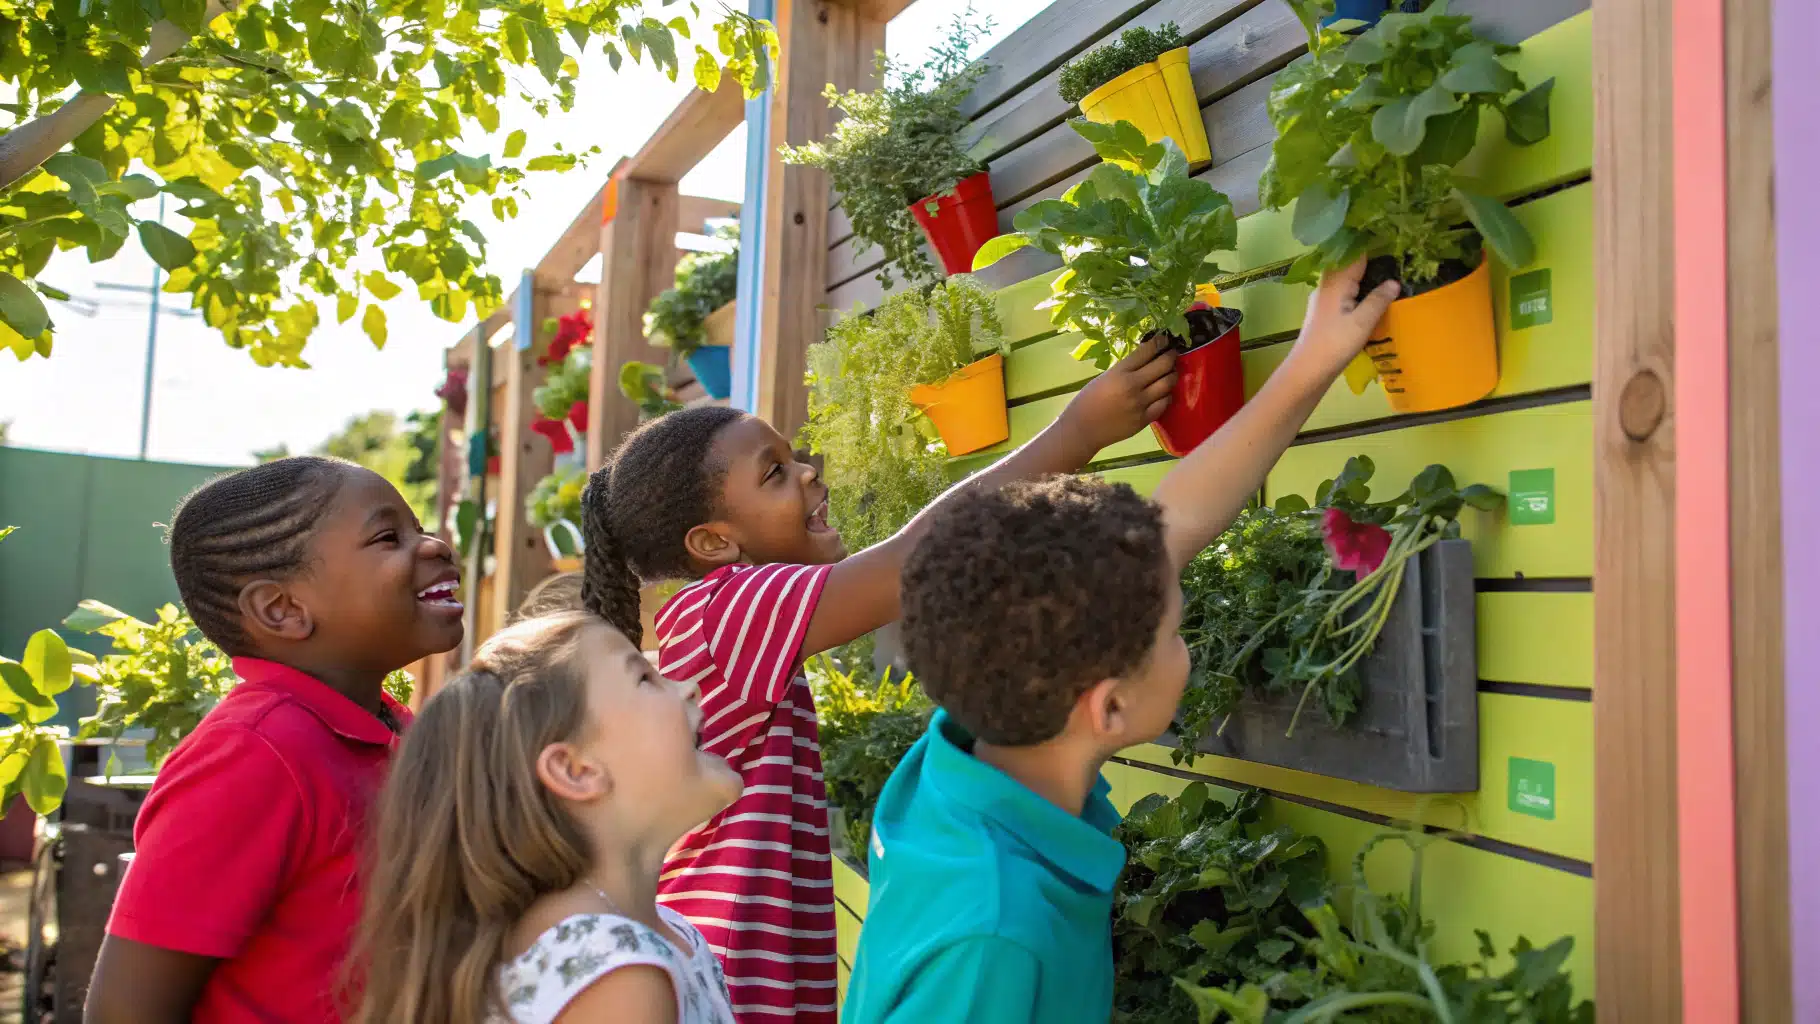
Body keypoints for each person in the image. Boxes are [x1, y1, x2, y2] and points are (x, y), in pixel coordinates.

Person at [841, 259, 1402, 1023]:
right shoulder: (992, 937)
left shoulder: (968, 760)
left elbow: (1177, 519)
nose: (1186, 642)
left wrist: (1313, 358)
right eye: (1175, 633)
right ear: (1105, 708)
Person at [578, 342, 1180, 1021]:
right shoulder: (724, 611)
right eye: (774, 473)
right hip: (733, 976)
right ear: (713, 543)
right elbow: (913, 558)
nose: (808, 473)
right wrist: (1081, 430)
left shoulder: (720, 620)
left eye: (794, 457)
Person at [85, 456, 465, 1024]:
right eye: (389, 536)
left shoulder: (395, 729)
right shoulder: (253, 753)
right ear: (281, 609)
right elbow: (124, 1010)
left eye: (422, 528)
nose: (435, 546)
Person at [350, 612, 742, 1024]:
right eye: (645, 678)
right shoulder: (612, 973)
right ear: (575, 770)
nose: (690, 689)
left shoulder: (670, 935)